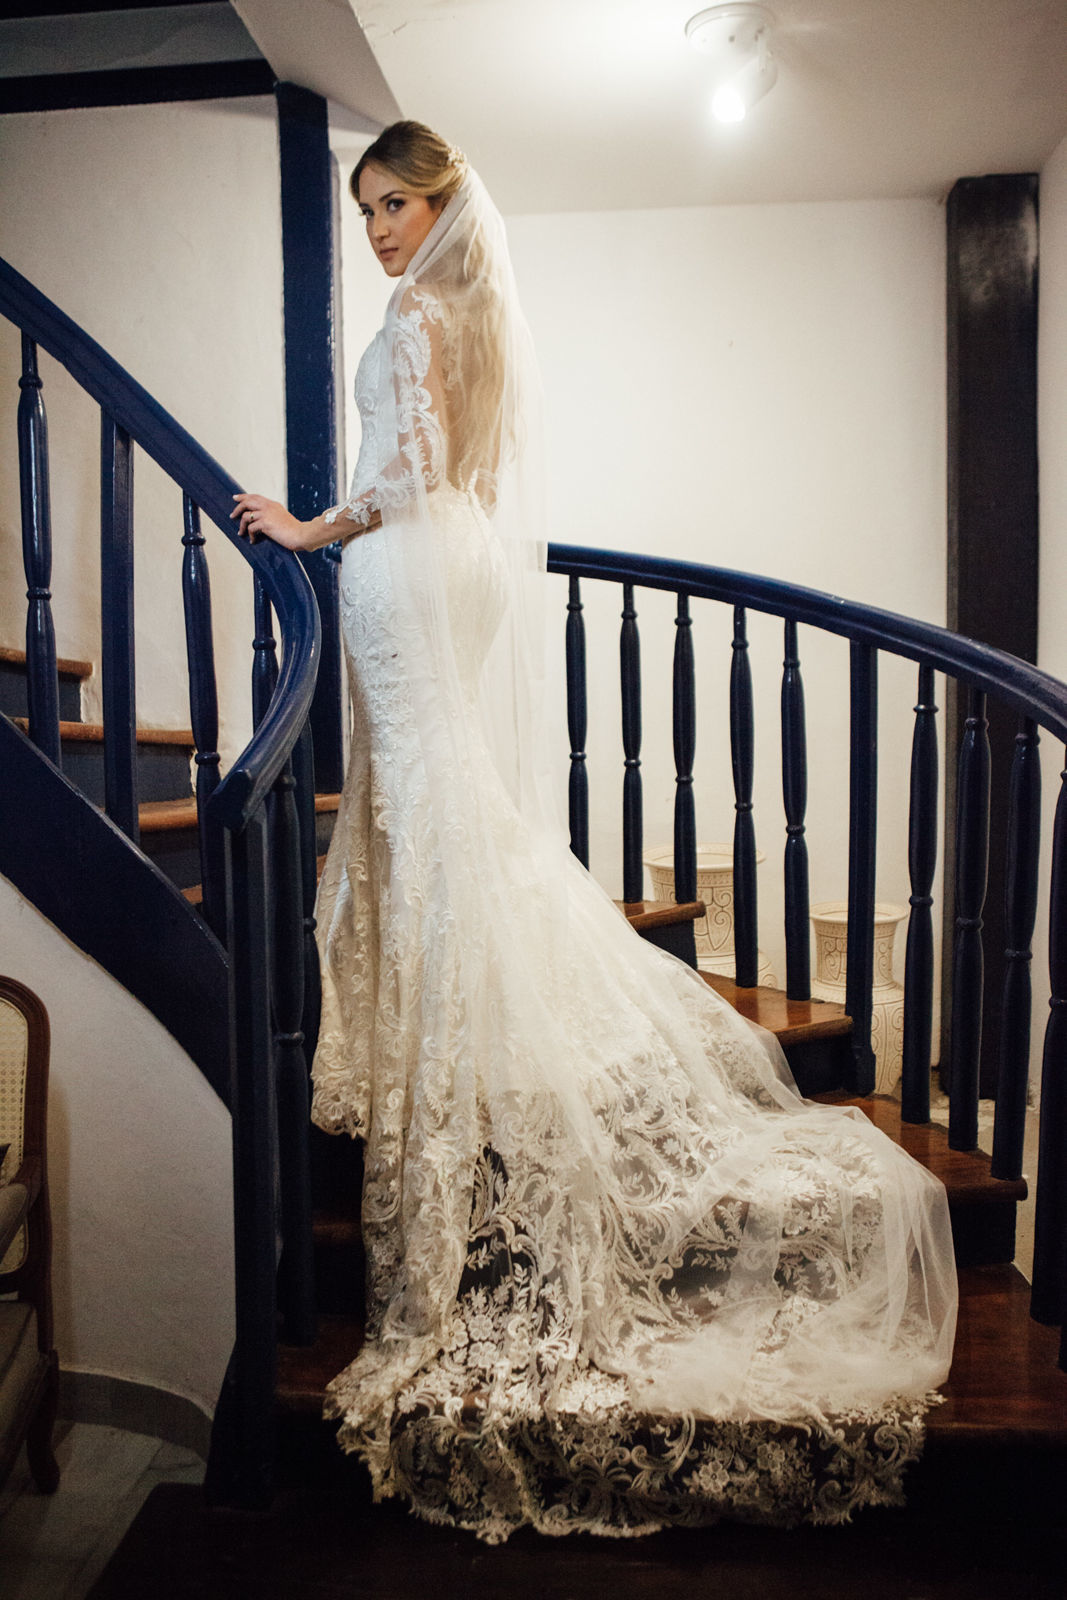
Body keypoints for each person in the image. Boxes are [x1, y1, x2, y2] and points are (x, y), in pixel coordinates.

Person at [231, 121, 957, 1544]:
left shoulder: (417, 312)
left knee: (435, 809)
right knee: (444, 808)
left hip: (404, 565)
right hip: (453, 574)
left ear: (440, 203)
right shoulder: (479, 307)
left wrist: (311, 530)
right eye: (367, 208)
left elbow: (410, 471)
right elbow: (471, 483)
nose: (378, 228)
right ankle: (446, 1026)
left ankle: (447, 1060)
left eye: (396, 203)